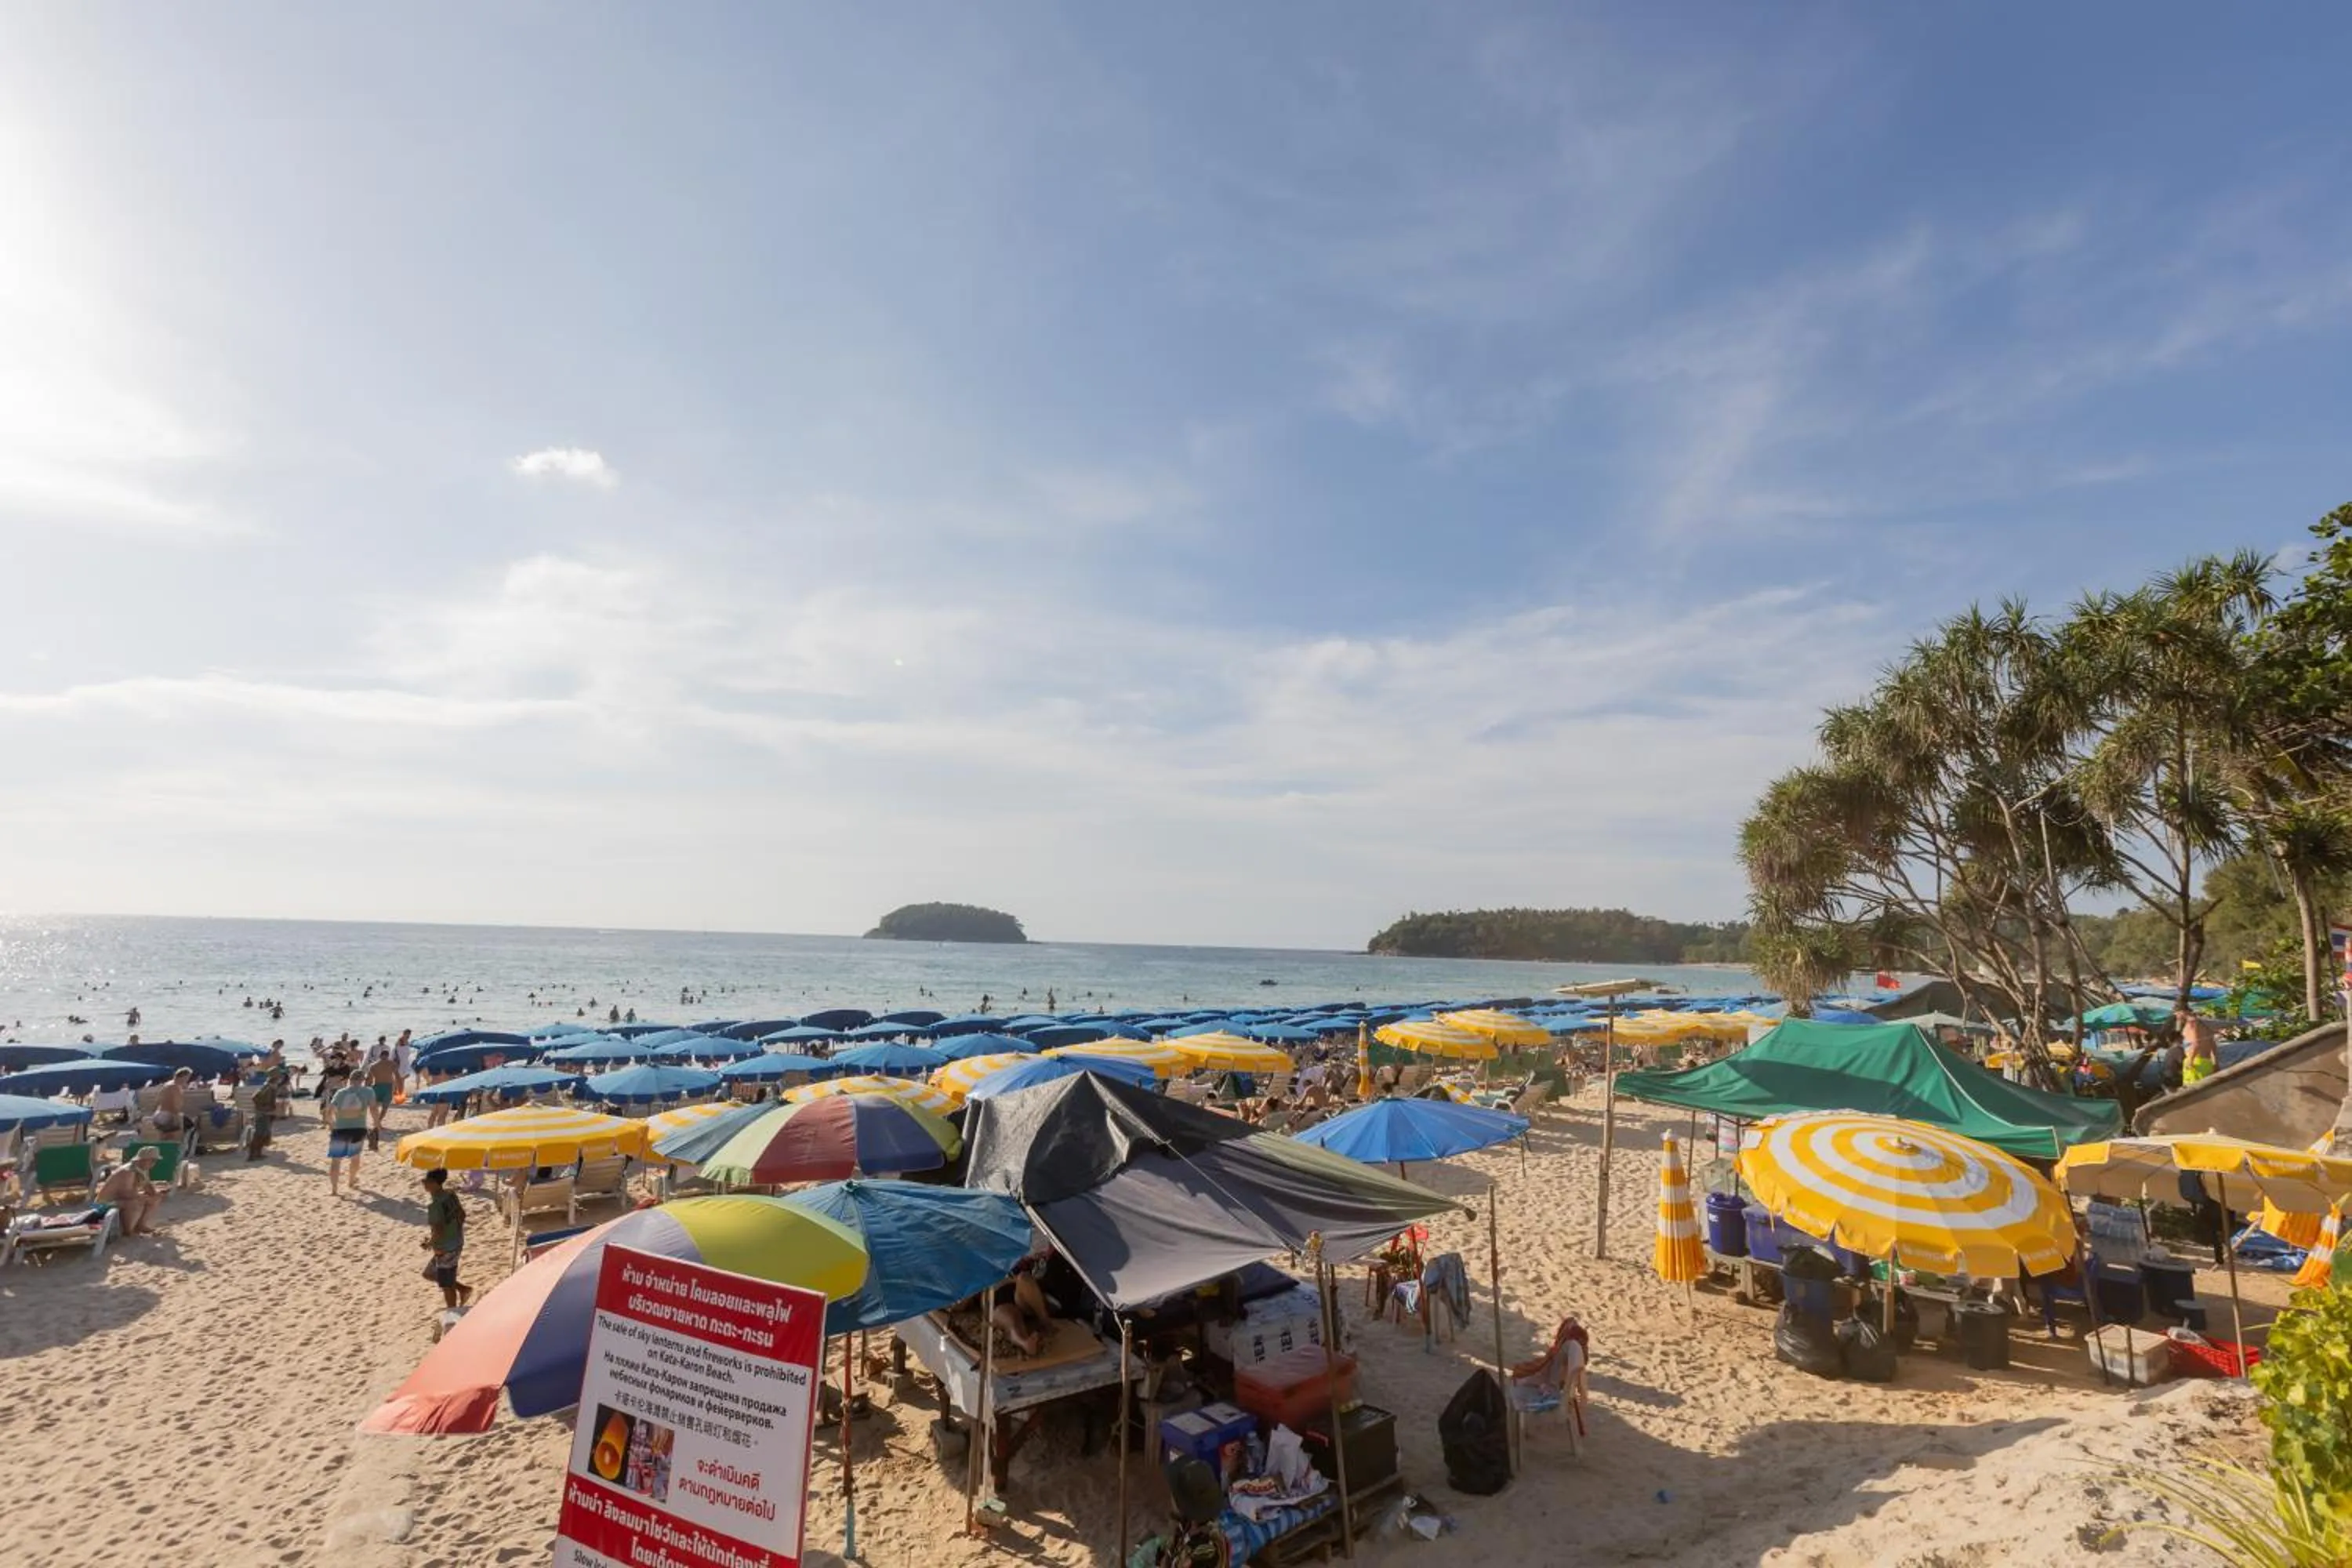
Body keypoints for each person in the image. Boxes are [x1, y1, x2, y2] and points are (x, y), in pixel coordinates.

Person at [421, 1169, 473, 1309]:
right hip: (456, 1242)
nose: (424, 1184)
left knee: (446, 1286)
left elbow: (439, 1231)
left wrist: (429, 1244)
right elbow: (462, 1215)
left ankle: (453, 1312)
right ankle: (463, 1289)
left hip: (445, 1249)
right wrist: (453, 1232)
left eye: (426, 1181)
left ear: (436, 1183)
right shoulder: (451, 1195)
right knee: (429, 1274)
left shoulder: (435, 1206)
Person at [96, 1146, 166, 1236]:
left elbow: (147, 1186)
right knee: (136, 1203)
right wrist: (142, 1197)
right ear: (143, 1159)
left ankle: (141, 1225)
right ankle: (129, 1231)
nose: (153, 1163)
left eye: (155, 1161)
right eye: (152, 1160)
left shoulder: (142, 1169)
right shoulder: (128, 1171)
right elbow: (125, 1193)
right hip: (103, 1204)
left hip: (119, 1200)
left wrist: (156, 1194)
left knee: (155, 1198)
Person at [324, 1074, 376, 1195]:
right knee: (355, 1157)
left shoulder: (340, 1093)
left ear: (350, 1080)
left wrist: (332, 1125)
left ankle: (334, 1190)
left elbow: (329, 1112)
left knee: (336, 1161)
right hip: (358, 1129)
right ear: (362, 1080)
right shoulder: (368, 1091)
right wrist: (377, 1123)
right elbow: (373, 1109)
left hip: (340, 1129)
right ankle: (351, 1181)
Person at [364, 1047, 399, 1150]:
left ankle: (377, 1123)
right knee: (385, 1107)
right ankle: (378, 1123)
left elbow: (369, 1079)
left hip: (377, 1086)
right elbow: (397, 1076)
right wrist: (398, 1088)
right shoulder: (392, 1064)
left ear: (380, 1056)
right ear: (387, 1056)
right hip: (388, 1087)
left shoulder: (373, 1065)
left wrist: (366, 1088)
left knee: (375, 1106)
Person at [2180, 1009, 2220, 1085]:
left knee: (2192, 1090)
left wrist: (2190, 1060)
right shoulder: (2205, 1025)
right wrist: (2215, 1062)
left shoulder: (2191, 1024)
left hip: (2195, 1063)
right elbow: (2213, 1044)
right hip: (2207, 1063)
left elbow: (2196, 1043)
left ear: (2182, 1012)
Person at [153, 1067, 193, 1140]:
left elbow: (157, 1100)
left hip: (159, 1114)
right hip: (168, 1116)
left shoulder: (167, 1084)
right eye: (188, 1077)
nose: (188, 1080)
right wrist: (176, 1117)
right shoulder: (175, 1087)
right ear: (183, 1077)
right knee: (172, 1138)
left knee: (163, 1138)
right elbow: (176, 1105)